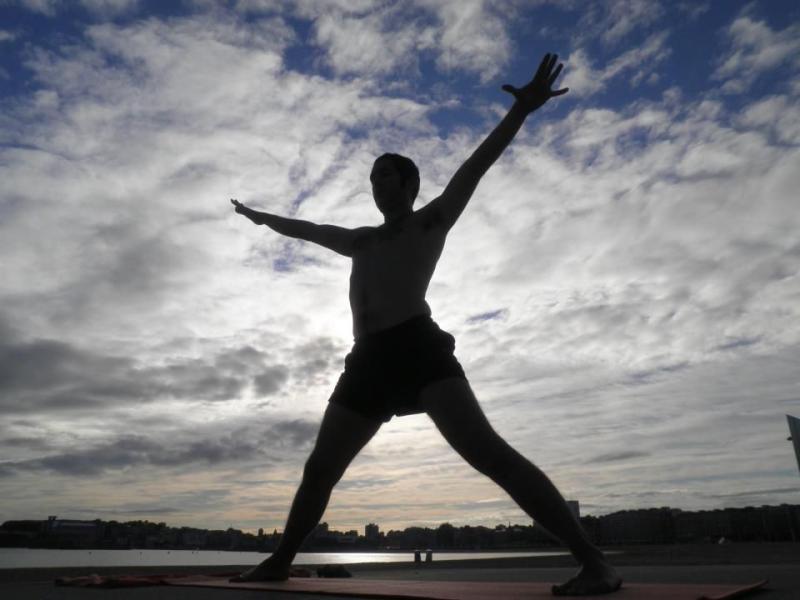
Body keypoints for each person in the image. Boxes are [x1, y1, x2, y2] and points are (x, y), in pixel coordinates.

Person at [229, 53, 622, 596]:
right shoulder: (361, 239)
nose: (376, 183)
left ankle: (593, 561)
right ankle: (281, 560)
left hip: (418, 349)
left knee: (489, 454)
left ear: (409, 182)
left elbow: (476, 166)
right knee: (320, 468)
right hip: (366, 361)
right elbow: (310, 228)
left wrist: (522, 112)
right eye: (370, 177)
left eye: (385, 174)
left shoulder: (431, 220)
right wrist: (261, 218)